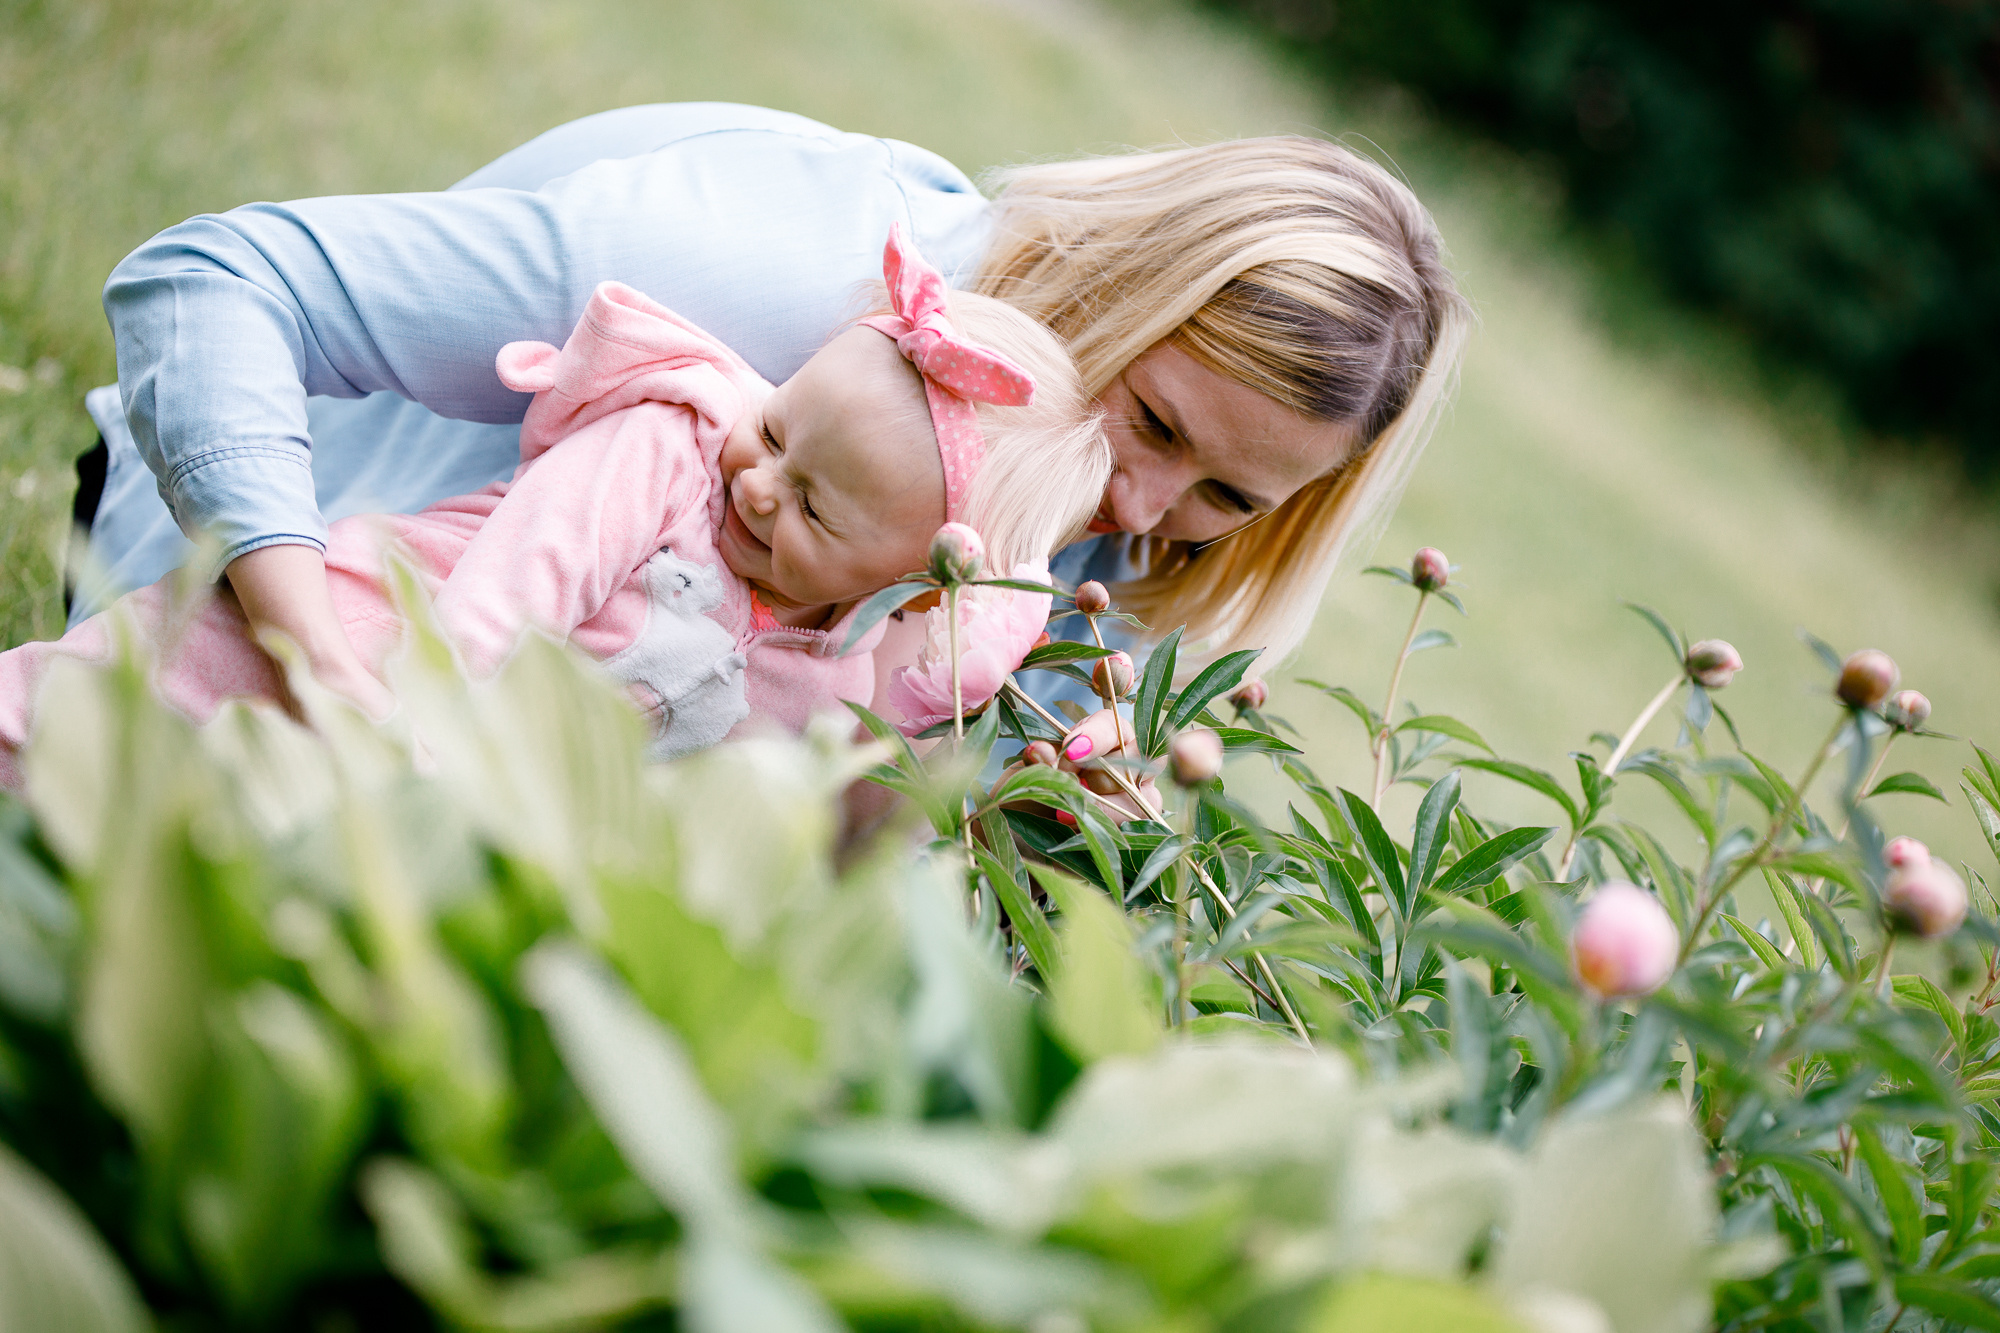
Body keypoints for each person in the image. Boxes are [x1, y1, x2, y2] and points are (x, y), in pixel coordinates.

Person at [73, 102, 1468, 761]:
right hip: (239, 604)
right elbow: (215, 280)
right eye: (1154, 420)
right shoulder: (784, 273)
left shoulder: (1101, 545)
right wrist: (321, 652)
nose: (1144, 505)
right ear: (1108, 278)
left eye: (1230, 492)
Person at [4, 228, 1106, 785]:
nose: (758, 483)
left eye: (813, 507)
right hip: (320, 655)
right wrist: (414, 736)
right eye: (773, 429)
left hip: (394, 790)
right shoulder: (667, 454)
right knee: (55, 735)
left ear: (908, 573)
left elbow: (891, 727)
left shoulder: (831, 666)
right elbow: (503, 600)